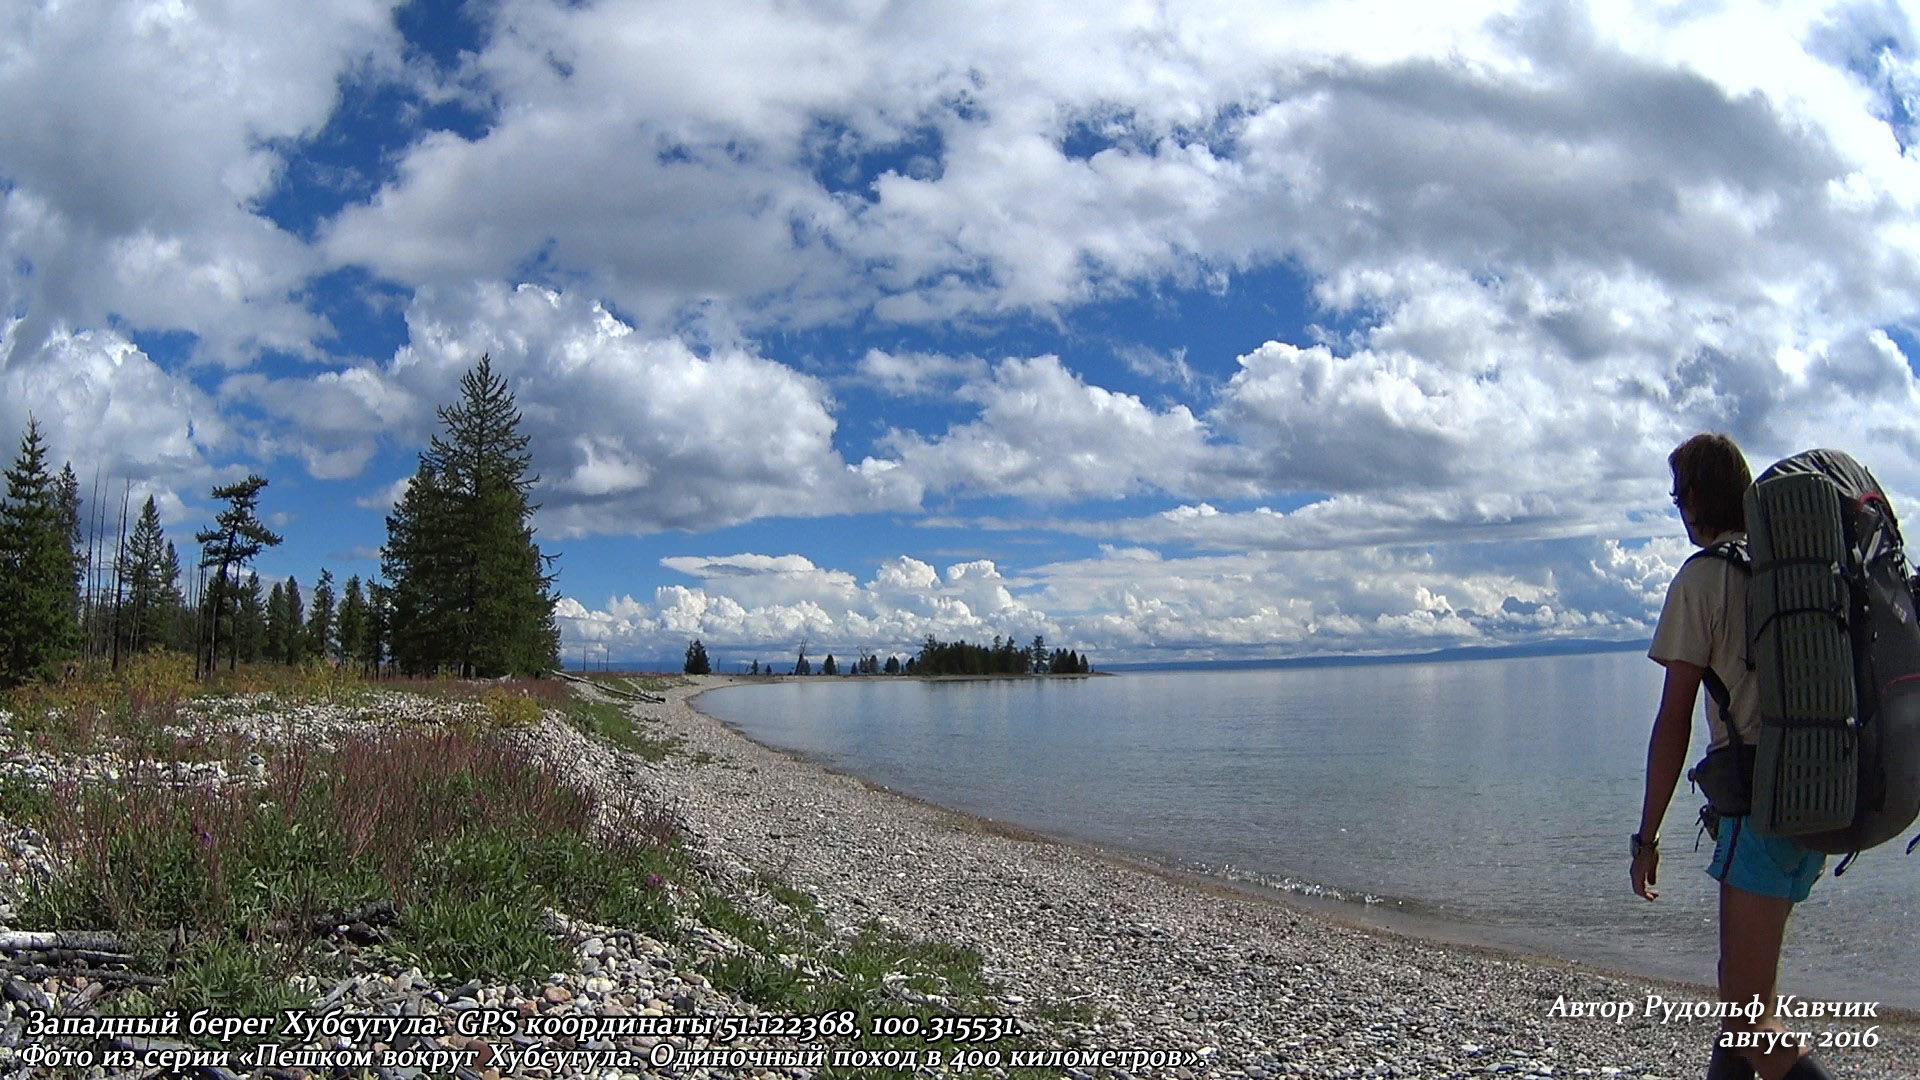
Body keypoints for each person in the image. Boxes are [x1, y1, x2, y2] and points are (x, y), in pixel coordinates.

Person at [1632, 433, 1836, 1080]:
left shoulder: (1703, 579)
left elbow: (1673, 721)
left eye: (1675, 495)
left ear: (1694, 500)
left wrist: (1647, 836)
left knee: (1750, 1018)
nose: (1676, 508)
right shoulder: (1779, 569)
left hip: (1760, 806)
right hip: (1815, 788)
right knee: (1740, 999)